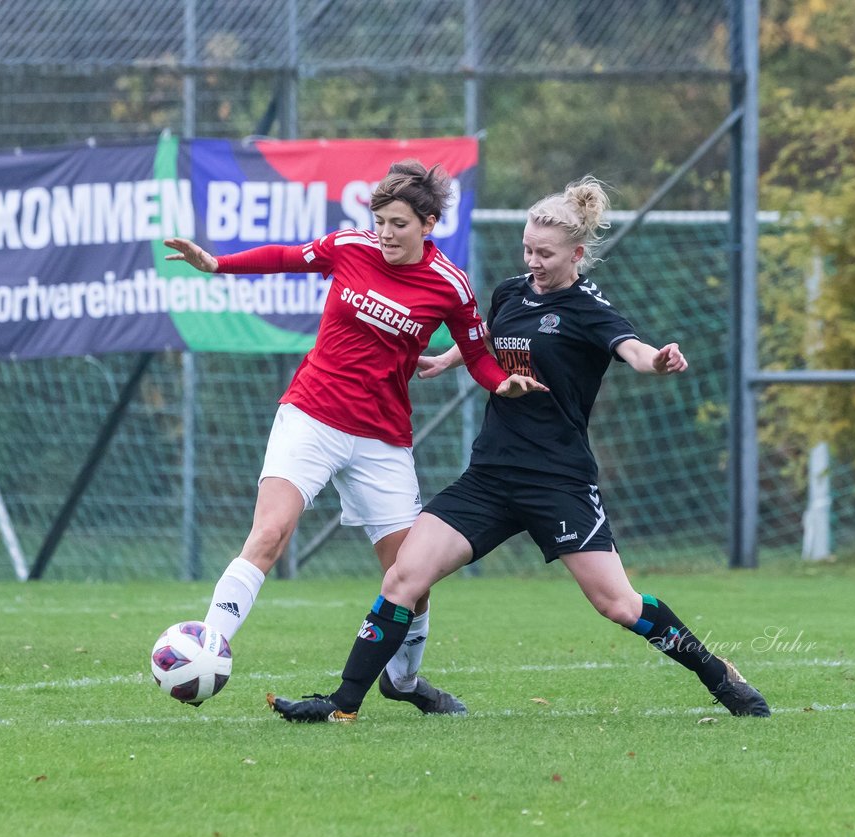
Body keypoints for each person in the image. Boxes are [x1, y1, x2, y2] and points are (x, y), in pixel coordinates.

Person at [267, 177, 770, 722]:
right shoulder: (511, 291)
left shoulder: (587, 309)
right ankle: (343, 703)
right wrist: (445, 361)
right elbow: (489, 339)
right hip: (490, 476)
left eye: (545, 253)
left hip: (558, 481)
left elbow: (632, 349)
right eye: (527, 248)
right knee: (404, 577)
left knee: (618, 605)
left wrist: (659, 360)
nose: (532, 260)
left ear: (576, 254)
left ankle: (717, 674)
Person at [164, 160, 546, 714]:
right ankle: (209, 645)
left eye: (397, 223)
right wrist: (216, 263)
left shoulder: (451, 285)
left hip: (381, 440)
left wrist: (502, 384)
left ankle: (406, 683)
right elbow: (286, 258)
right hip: (311, 415)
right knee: (269, 533)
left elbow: (477, 355)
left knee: (409, 578)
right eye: (380, 221)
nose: (385, 234)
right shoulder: (351, 247)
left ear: (429, 223)